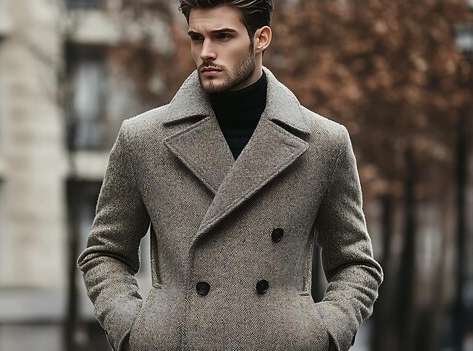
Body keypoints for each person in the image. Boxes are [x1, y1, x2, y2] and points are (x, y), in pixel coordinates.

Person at [77, 1, 384, 350]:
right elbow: (105, 253)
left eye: (223, 37)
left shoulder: (323, 143)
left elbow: (356, 264)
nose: (206, 52)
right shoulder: (144, 139)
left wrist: (323, 334)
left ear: (261, 38)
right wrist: (136, 332)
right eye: (197, 37)